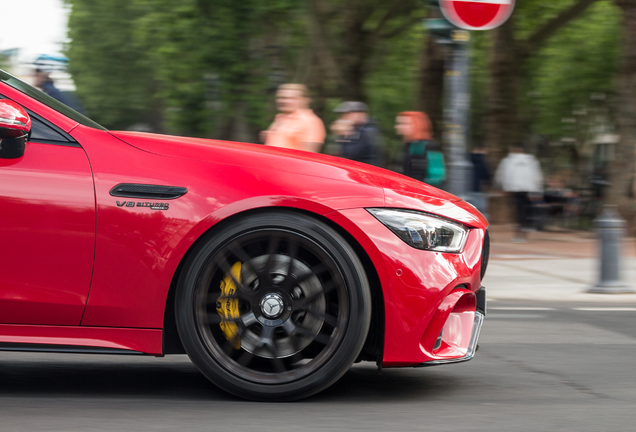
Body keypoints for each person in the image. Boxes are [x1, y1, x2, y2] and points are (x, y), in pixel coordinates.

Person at [494, 145, 544, 241]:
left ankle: (519, 231)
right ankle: (524, 230)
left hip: (514, 189)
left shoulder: (508, 161)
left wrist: (501, 186)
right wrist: (538, 189)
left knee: (518, 211)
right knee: (526, 210)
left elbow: (502, 174)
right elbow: (538, 176)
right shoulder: (532, 161)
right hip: (530, 189)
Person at [262, 84, 326, 153]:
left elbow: (310, 154)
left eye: (291, 98)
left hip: (288, 163)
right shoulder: (280, 117)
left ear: (305, 100)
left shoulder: (310, 121)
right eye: (281, 98)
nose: (283, 101)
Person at [395, 111, 445, 186]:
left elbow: (436, 177)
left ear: (416, 125)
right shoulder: (406, 146)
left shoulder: (429, 146)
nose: (397, 126)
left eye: (404, 124)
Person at [330, 101, 381, 166]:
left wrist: (344, 135)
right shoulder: (355, 129)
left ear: (359, 114)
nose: (343, 118)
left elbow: (351, 155)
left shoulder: (369, 131)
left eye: (347, 115)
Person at [468, 144, 491, 219]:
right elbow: (486, 175)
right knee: (481, 211)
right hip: (478, 189)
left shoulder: (465, 159)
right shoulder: (481, 160)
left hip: (466, 190)